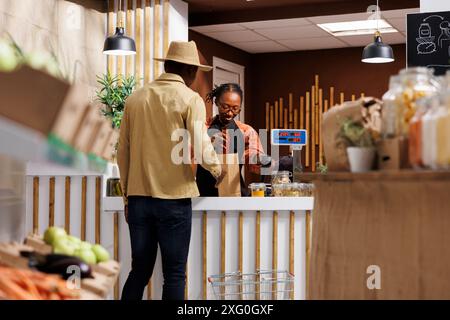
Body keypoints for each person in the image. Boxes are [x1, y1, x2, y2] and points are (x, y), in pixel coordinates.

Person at [117, 41, 225, 300]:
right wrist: (217, 168)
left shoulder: (135, 98)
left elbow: (122, 152)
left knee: (139, 270)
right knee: (174, 274)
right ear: (189, 71)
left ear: (166, 66)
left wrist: (127, 196)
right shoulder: (190, 99)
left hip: (140, 200)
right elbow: (200, 143)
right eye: (196, 71)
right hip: (174, 200)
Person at [196, 83, 270, 196]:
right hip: (203, 194)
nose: (230, 113)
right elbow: (189, 155)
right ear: (216, 103)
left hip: (234, 193)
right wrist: (206, 142)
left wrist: (259, 159)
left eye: (235, 108)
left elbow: (252, 160)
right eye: (225, 107)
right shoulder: (202, 127)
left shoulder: (246, 131)